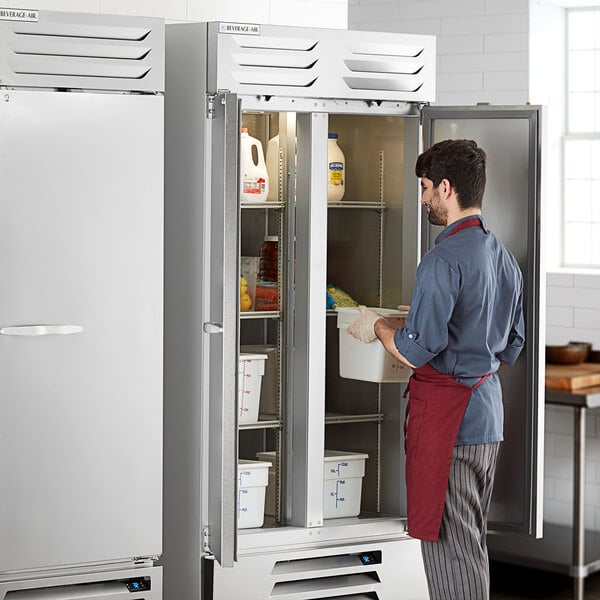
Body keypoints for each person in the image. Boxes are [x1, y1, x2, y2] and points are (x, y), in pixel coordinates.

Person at [347, 139, 525, 600]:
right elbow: (511, 345)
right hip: (486, 418)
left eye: (426, 188)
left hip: (449, 426)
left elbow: (414, 351)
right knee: (470, 542)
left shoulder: (442, 259)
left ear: (446, 188)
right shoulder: (500, 255)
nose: (423, 198)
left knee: (450, 552)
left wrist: (381, 326)